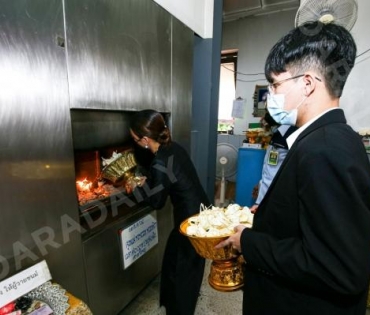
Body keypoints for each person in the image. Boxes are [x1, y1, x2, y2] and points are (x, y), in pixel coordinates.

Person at [216, 21, 370, 315]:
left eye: (275, 84)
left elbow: (339, 268)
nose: (271, 95)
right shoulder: (326, 138)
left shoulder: (325, 149)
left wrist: (248, 242)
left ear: (308, 83)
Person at [129, 109, 210, 315]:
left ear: (145, 139)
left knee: (183, 270)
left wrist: (135, 188)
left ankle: (180, 310)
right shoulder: (173, 148)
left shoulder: (159, 161)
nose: (134, 143)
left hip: (191, 222)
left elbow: (157, 202)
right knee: (176, 261)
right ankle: (172, 305)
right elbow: (166, 179)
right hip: (200, 212)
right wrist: (151, 182)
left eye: (135, 139)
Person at [250, 111, 297, 213]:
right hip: (266, 200)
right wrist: (260, 184)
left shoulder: (292, 135)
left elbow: (277, 173)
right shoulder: (278, 134)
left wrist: (261, 203)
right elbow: (271, 169)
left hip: (275, 201)